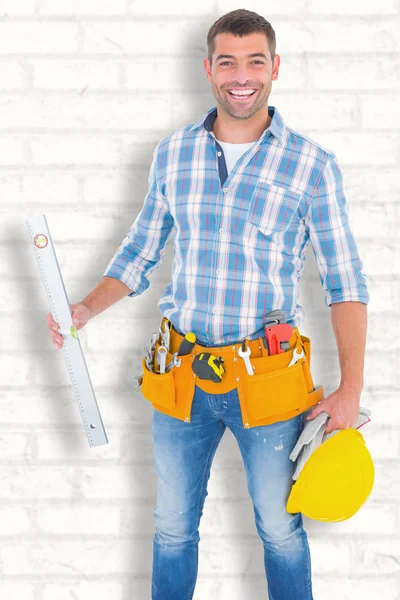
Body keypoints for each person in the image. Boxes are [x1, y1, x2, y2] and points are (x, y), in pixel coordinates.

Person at [46, 8, 369, 600]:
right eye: (227, 61)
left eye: (254, 61)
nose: (240, 75)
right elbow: (140, 252)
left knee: (279, 529)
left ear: (274, 68)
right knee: (171, 529)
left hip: (269, 382)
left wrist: (350, 387)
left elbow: (344, 282)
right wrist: (85, 310)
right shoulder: (174, 155)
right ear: (208, 69)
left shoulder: (312, 165)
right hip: (181, 378)